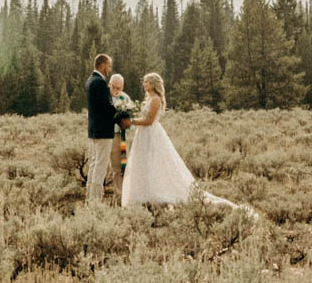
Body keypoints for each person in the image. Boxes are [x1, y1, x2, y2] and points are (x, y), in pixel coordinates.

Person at [121, 72, 255, 216]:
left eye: (146, 82)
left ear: (153, 84)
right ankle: (145, 194)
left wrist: (132, 122)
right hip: (143, 135)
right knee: (144, 162)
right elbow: (144, 118)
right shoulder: (148, 99)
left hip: (151, 134)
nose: (144, 84)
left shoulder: (155, 100)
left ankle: (155, 195)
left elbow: (149, 120)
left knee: (154, 162)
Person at [84, 54, 117, 205]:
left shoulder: (90, 81)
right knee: (100, 166)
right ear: (102, 65)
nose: (109, 69)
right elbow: (106, 108)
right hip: (103, 131)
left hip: (93, 130)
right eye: (109, 66)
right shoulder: (100, 83)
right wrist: (120, 114)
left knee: (93, 164)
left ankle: (89, 198)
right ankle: (95, 201)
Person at [108, 74, 134, 198]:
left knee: (121, 165)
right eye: (114, 87)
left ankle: (122, 194)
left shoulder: (126, 98)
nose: (117, 90)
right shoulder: (105, 97)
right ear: (110, 84)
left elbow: (132, 119)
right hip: (106, 134)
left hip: (121, 136)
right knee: (111, 166)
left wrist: (127, 125)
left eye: (119, 87)